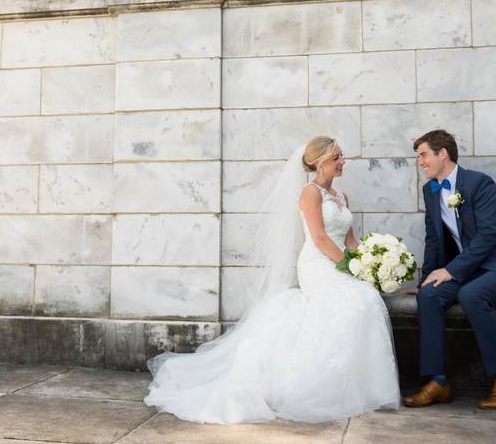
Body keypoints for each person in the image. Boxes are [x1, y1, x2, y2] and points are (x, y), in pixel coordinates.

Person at [143, 136, 400, 423]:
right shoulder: (310, 193)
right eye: (337, 157)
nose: (343, 162)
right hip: (318, 264)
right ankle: (318, 384)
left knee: (367, 297)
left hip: (340, 261)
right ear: (319, 162)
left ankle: (360, 385)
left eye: (342, 156)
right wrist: (348, 266)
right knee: (351, 301)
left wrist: (369, 266)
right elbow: (318, 237)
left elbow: (350, 239)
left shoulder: (343, 197)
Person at [403, 129, 496, 410]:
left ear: (443, 154)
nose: (421, 162)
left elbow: (488, 236)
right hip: (473, 269)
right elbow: (433, 238)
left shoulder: (480, 183)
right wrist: (428, 276)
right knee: (428, 295)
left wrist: (451, 271)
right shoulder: (431, 191)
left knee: (472, 295)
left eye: (424, 155)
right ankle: (437, 381)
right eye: (419, 157)